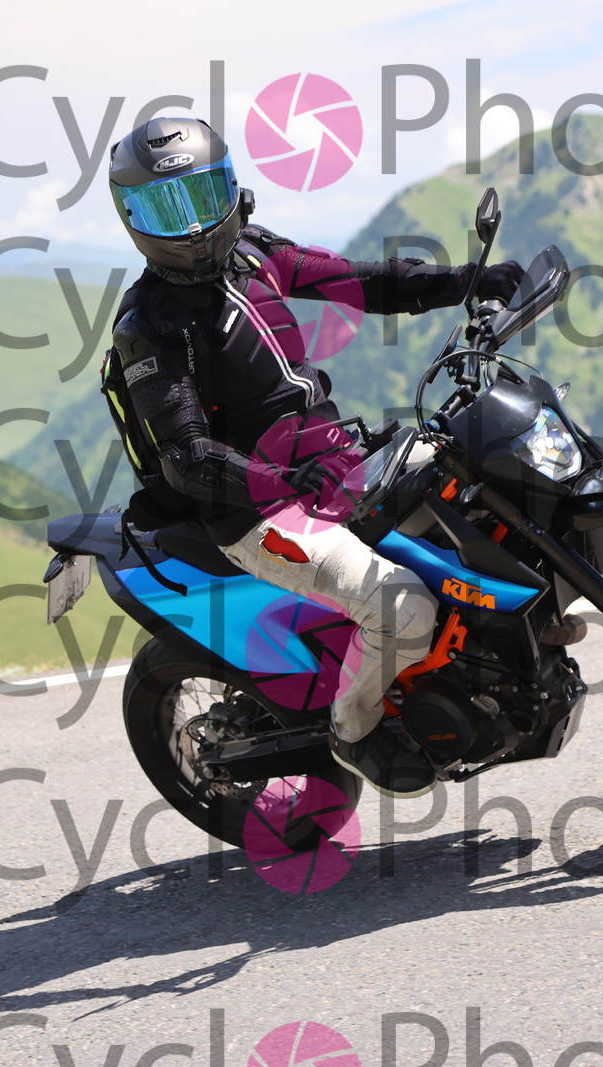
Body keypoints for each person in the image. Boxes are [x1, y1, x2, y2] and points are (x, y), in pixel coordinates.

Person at [100, 115, 523, 799]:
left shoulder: (253, 253)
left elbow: (365, 282)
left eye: (202, 196)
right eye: (167, 209)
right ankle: (355, 731)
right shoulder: (149, 324)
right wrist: (281, 479)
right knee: (404, 608)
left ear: (230, 186)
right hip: (256, 513)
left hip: (334, 463)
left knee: (481, 477)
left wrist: (468, 280)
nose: (196, 226)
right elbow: (188, 456)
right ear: (132, 218)